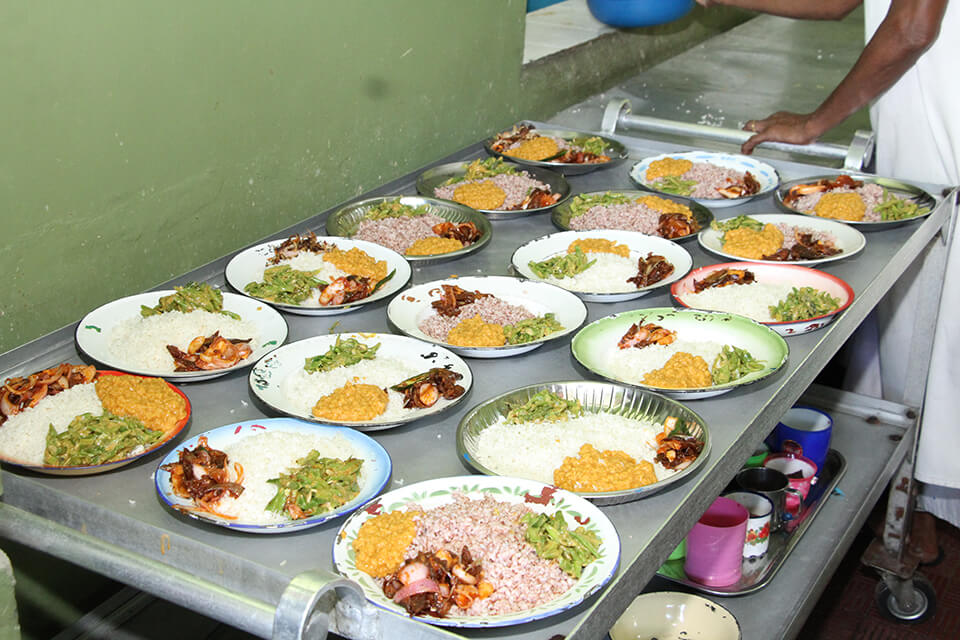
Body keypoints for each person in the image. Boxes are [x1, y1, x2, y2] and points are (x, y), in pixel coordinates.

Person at [696, 0, 960, 527]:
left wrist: (817, 121)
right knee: (913, 338)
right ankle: (915, 513)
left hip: (943, 128)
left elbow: (912, 27)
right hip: (914, 130)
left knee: (941, 336)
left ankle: (922, 517)